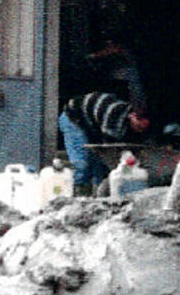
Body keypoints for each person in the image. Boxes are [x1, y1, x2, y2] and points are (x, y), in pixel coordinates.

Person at [59, 36, 150, 194]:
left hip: (92, 122)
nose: (142, 126)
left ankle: (100, 198)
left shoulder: (130, 124)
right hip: (73, 118)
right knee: (83, 164)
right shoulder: (114, 116)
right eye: (140, 121)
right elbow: (107, 150)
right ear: (132, 116)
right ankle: (80, 197)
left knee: (99, 169)